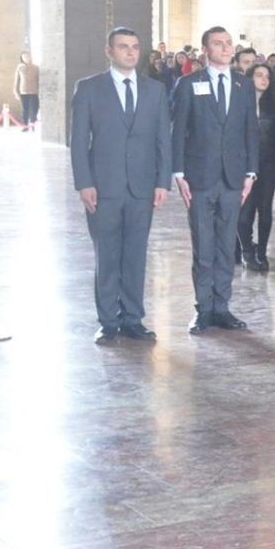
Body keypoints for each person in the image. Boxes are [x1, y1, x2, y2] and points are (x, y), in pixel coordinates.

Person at [70, 27, 172, 342]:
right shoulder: (88, 89)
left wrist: (162, 181)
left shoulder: (154, 90)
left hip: (142, 187)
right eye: (123, 47)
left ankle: (132, 318)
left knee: (136, 255)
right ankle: (109, 321)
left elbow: (162, 140)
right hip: (103, 186)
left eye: (135, 47)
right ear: (109, 51)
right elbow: (77, 142)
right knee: (107, 254)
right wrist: (84, 183)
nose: (130, 52)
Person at [170, 26, 259, 333]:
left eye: (228, 43)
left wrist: (251, 172)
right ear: (205, 49)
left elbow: (251, 129)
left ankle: (222, 307)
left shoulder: (243, 84)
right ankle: (203, 308)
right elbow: (178, 129)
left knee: (225, 246)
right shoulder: (188, 83)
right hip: (200, 176)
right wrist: (178, 172)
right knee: (203, 245)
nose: (225, 48)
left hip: (234, 176)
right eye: (218, 44)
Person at [236, 62, 275, 272]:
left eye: (267, 76)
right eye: (258, 75)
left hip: (269, 164)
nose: (263, 79)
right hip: (244, 165)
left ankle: (262, 251)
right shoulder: (238, 103)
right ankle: (247, 249)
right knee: (245, 212)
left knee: (265, 209)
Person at [13, 50, 39, 128]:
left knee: (34, 108)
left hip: (34, 91)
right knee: (25, 109)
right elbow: (16, 80)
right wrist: (15, 92)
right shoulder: (19, 67)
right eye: (24, 57)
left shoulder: (36, 67)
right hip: (23, 92)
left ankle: (32, 123)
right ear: (22, 58)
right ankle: (25, 125)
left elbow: (39, 80)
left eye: (27, 56)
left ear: (30, 57)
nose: (26, 58)